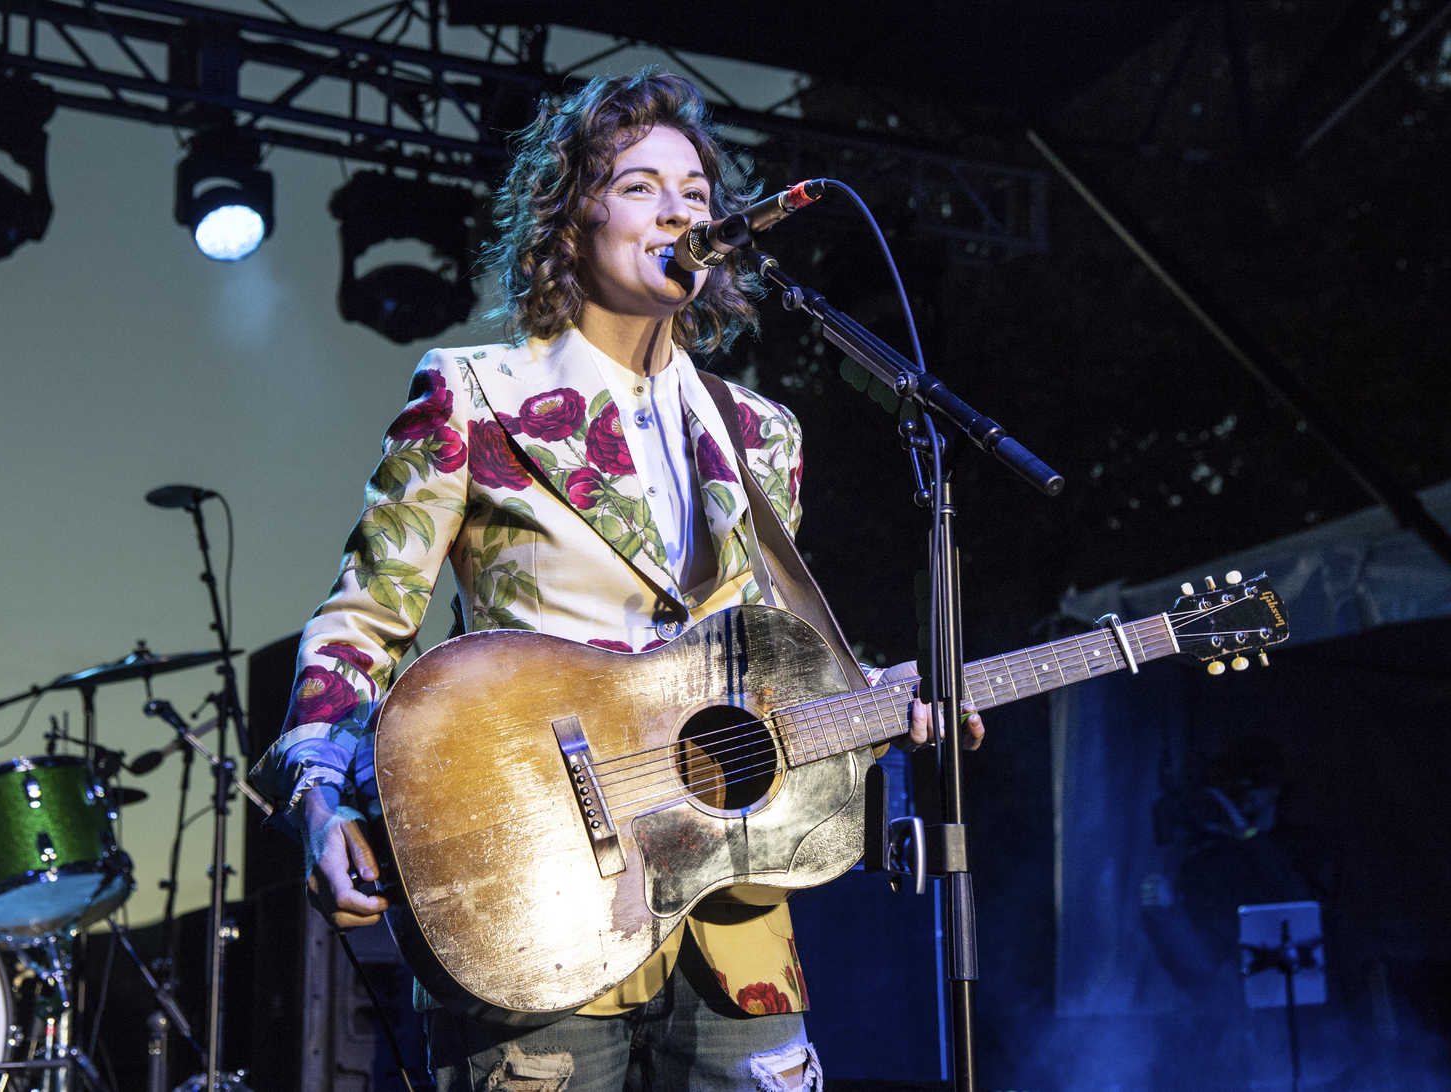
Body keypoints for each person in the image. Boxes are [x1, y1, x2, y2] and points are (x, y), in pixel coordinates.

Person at [249, 70, 981, 1092]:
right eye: (642, 185)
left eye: (694, 189)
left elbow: (768, 663)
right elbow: (364, 620)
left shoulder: (762, 437)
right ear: (570, 217)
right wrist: (324, 798)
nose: (682, 206)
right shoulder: (473, 396)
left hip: (737, 921)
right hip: (530, 897)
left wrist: (880, 699)